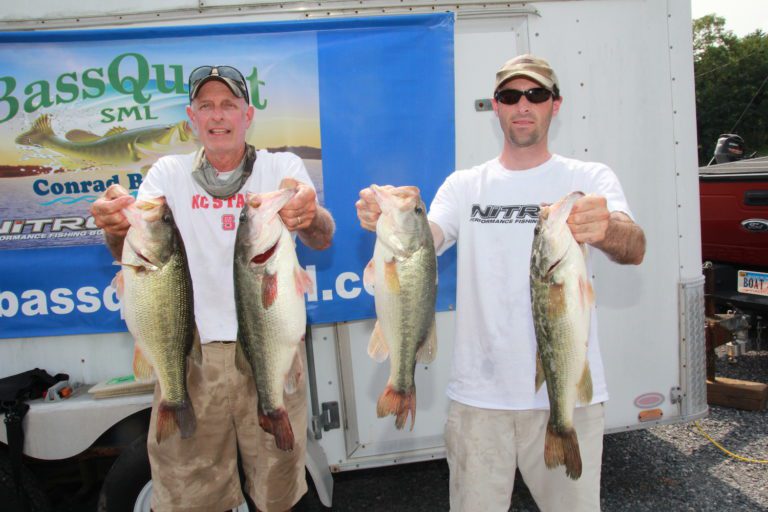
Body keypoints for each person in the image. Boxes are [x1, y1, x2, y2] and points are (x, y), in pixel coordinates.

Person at [356, 54, 646, 511]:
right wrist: (390, 221)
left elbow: (634, 247)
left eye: (536, 94)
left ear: (556, 104)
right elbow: (425, 241)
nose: (523, 105)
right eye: (511, 96)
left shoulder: (588, 179)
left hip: (565, 396)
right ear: (496, 106)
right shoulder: (464, 185)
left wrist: (606, 227)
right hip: (478, 401)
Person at [92, 65, 335, 512]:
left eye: (229, 105)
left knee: (279, 488)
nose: (218, 116)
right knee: (190, 495)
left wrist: (308, 214)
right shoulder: (167, 173)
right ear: (191, 117)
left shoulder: (281, 167)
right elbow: (130, 246)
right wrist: (113, 225)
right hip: (190, 353)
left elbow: (321, 233)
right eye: (206, 106)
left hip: (267, 346)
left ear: (248, 114)